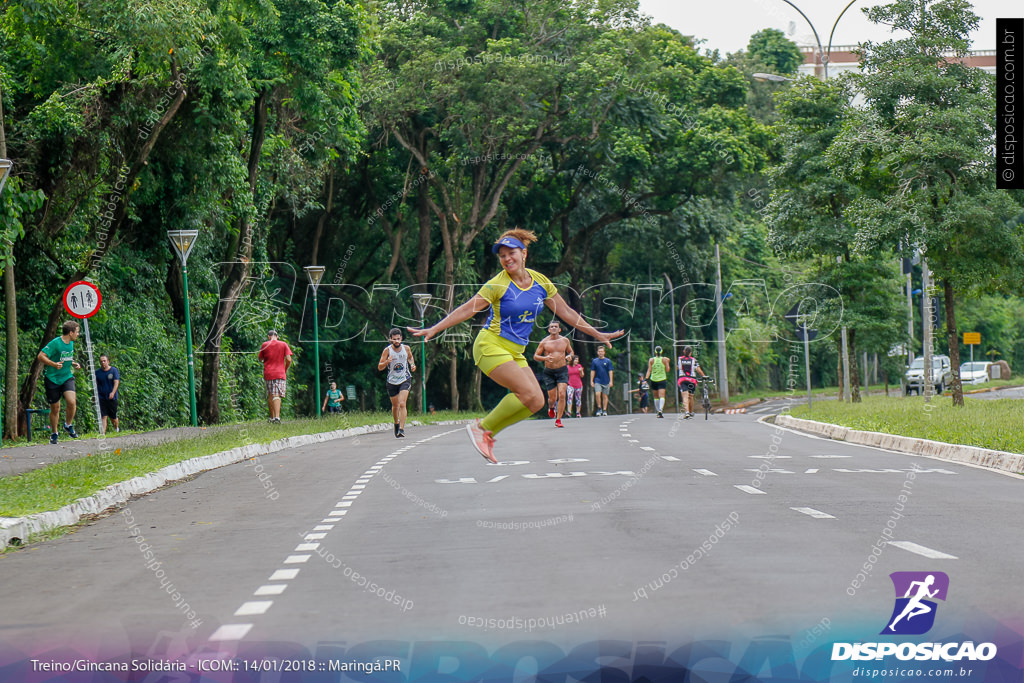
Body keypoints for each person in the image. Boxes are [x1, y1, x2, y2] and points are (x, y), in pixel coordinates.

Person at [409, 229, 622, 462]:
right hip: (490, 346)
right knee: (528, 392)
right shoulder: (497, 285)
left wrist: (597, 334)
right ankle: (481, 429)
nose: (507, 259)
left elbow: (567, 313)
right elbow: (467, 309)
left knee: (536, 401)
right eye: (502, 255)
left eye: (511, 253)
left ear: (524, 254)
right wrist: (435, 328)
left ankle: (488, 433)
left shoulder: (541, 282)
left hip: (515, 351)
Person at [38, 321, 82, 444]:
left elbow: (64, 356)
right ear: (71, 332)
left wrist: (73, 363)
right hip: (52, 379)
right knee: (55, 409)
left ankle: (68, 425)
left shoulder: (71, 342)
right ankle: (54, 433)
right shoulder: (56, 343)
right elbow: (41, 356)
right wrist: (53, 364)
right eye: (77, 332)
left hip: (66, 376)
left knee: (72, 402)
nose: (78, 334)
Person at [533, 320, 574, 428]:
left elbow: (571, 351)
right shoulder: (544, 342)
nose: (554, 328)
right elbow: (536, 356)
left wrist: (570, 356)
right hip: (549, 372)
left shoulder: (565, 340)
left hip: (562, 370)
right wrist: (545, 358)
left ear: (559, 329)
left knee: (562, 394)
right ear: (549, 329)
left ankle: (559, 419)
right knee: (552, 398)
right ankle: (551, 407)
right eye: (552, 327)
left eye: (556, 326)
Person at [378, 328, 416, 438]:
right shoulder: (387, 351)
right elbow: (380, 367)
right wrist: (387, 361)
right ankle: (396, 423)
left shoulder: (406, 348)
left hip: (405, 378)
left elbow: (410, 358)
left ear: (401, 338)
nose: (397, 341)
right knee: (395, 406)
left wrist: (412, 365)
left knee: (402, 403)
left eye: (398, 339)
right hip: (392, 381)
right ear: (391, 339)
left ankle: (402, 429)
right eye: (394, 339)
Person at [257, 329, 292, 423]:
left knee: (270, 395)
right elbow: (289, 359)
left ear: (269, 337)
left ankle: (272, 417)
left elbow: (260, 359)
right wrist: (285, 369)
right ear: (277, 336)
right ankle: (277, 418)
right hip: (279, 373)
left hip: (268, 373)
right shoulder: (284, 344)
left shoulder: (265, 345)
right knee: (276, 395)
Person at [677, 345, 708, 418]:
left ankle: (687, 412)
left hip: (683, 379)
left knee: (685, 396)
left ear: (684, 351)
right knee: (691, 396)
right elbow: (699, 370)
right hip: (692, 380)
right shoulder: (694, 360)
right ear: (690, 353)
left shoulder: (679, 359)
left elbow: (678, 367)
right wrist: (704, 376)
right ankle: (691, 412)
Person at [96, 354, 121, 433]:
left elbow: (116, 382)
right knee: (103, 416)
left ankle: (116, 428)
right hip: (101, 397)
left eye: (104, 361)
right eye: (101, 361)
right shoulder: (97, 373)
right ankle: (102, 433)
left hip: (112, 398)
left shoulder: (113, 370)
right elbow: (95, 384)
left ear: (108, 361)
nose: (103, 363)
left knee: (113, 417)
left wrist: (113, 392)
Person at [645, 345, 671, 418]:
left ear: (655, 352)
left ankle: (658, 411)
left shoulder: (651, 360)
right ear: (662, 351)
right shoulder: (664, 359)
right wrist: (667, 362)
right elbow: (668, 370)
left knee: (656, 396)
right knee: (662, 396)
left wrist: (646, 378)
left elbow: (649, 370)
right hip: (662, 379)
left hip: (654, 379)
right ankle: (660, 410)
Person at [590, 345, 614, 416]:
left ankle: (604, 410)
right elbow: (592, 371)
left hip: (606, 380)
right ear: (597, 352)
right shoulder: (595, 361)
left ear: (604, 352)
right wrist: (591, 380)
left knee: (605, 396)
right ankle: (599, 408)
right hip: (598, 380)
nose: (600, 353)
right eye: (599, 351)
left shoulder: (608, 361)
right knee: (597, 394)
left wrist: (611, 381)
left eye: (602, 351)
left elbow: (610, 371)